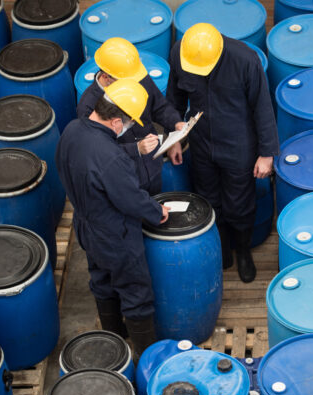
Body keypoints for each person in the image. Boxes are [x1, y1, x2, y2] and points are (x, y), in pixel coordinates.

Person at [56, 79, 169, 360]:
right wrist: (157, 213)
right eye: (129, 122)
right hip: (116, 234)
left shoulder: (72, 130)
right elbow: (129, 197)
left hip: (86, 226)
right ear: (117, 121)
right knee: (136, 294)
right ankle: (146, 360)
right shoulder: (109, 157)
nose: (130, 127)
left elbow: (88, 163)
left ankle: (115, 342)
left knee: (102, 281)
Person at [166, 23, 279, 283]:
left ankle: (242, 253)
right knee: (208, 198)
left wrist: (266, 153)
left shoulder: (245, 60)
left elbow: (263, 107)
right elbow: (175, 99)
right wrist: (174, 139)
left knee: (240, 202)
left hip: (239, 143)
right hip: (201, 141)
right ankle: (222, 250)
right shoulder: (180, 54)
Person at [77, 37, 185, 195]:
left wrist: (175, 126)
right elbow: (96, 151)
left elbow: (159, 107)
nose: (134, 85)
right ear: (106, 76)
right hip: (122, 178)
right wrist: (136, 149)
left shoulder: (136, 77)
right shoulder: (88, 106)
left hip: (152, 165)